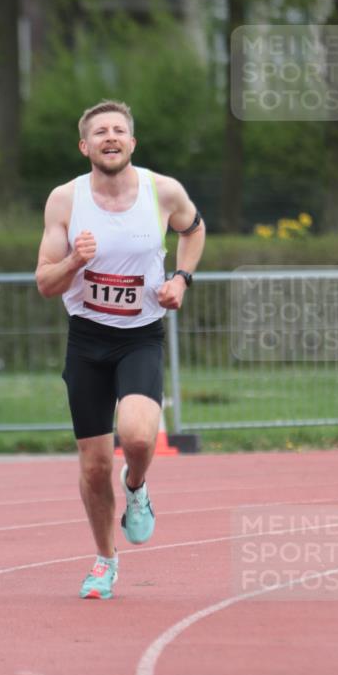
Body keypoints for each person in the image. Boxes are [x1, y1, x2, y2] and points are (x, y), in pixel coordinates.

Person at [36, 100, 205, 599]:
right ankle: (105, 561)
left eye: (120, 130)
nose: (111, 137)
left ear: (132, 142)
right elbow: (45, 282)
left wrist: (181, 278)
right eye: (100, 132)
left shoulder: (164, 191)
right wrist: (73, 262)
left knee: (135, 437)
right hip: (87, 339)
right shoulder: (65, 200)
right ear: (85, 146)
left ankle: (137, 488)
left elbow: (194, 231)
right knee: (93, 465)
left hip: (140, 336)